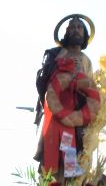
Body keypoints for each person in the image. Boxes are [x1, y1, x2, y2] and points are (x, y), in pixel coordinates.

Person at [34, 14, 100, 176]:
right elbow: (43, 79)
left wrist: (79, 75)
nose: (75, 30)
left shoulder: (86, 60)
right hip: (56, 111)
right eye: (72, 27)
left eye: (79, 27)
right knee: (52, 155)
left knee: (70, 154)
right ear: (66, 32)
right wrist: (61, 65)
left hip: (76, 115)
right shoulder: (55, 53)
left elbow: (91, 88)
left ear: (84, 34)